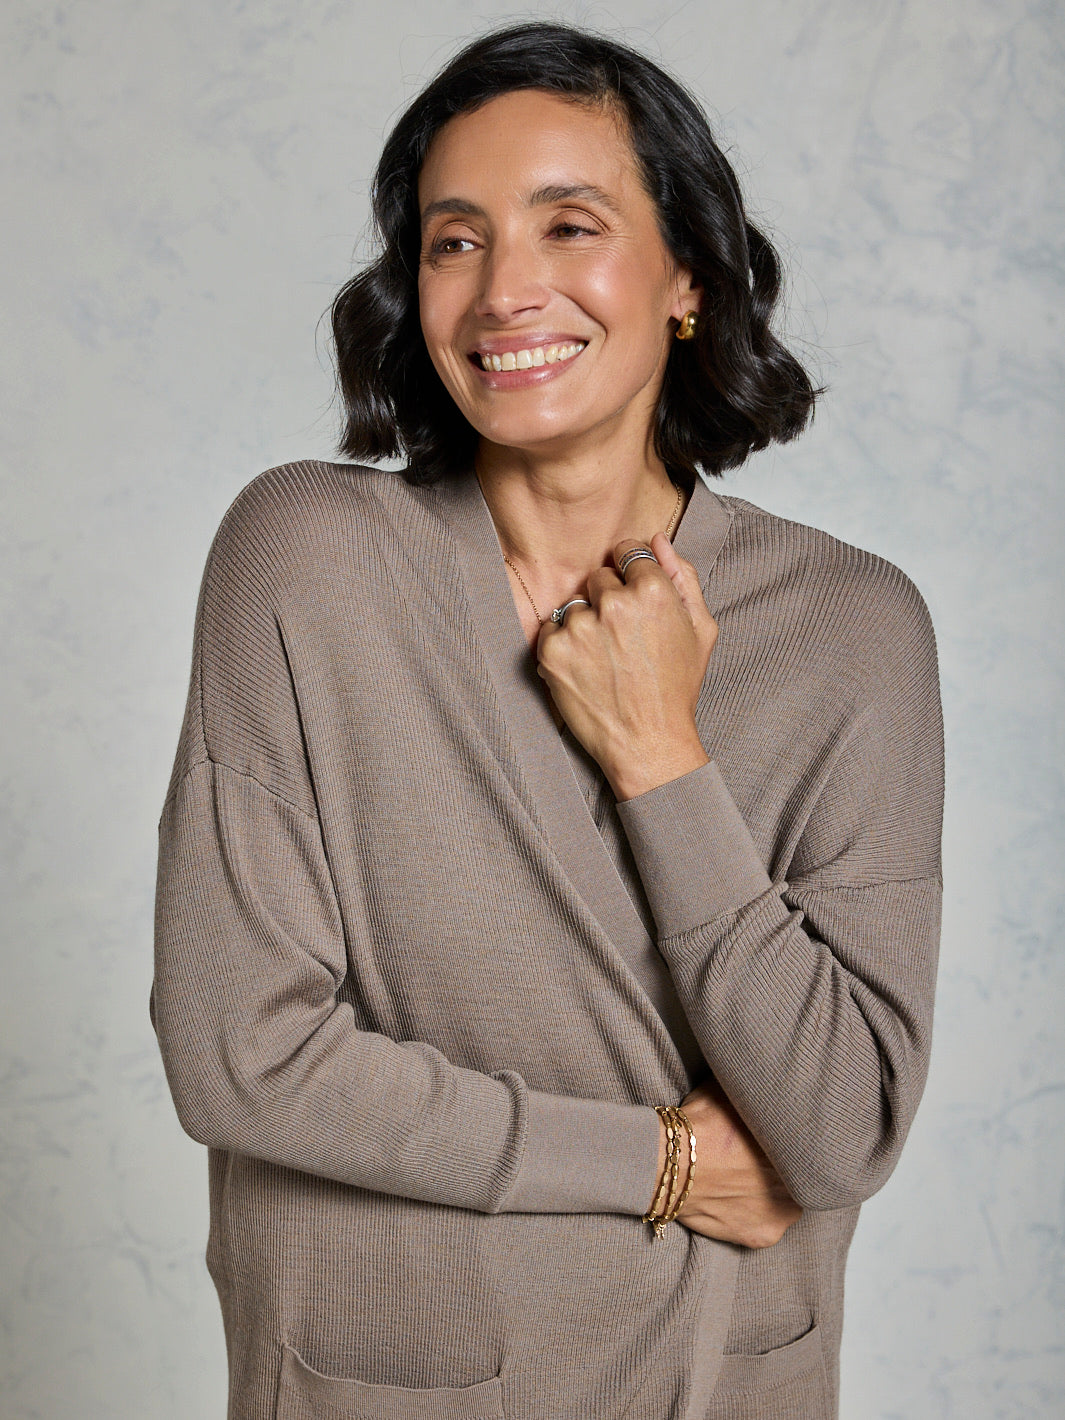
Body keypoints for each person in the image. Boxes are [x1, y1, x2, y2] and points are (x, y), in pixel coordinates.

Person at [151, 21, 943, 1420]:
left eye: (567, 225)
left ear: (685, 274)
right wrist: (657, 1163)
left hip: (723, 1383)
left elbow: (835, 1129)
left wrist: (661, 759)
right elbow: (245, 1056)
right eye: (453, 243)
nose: (505, 289)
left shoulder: (850, 627)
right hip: (378, 1389)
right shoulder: (308, 558)